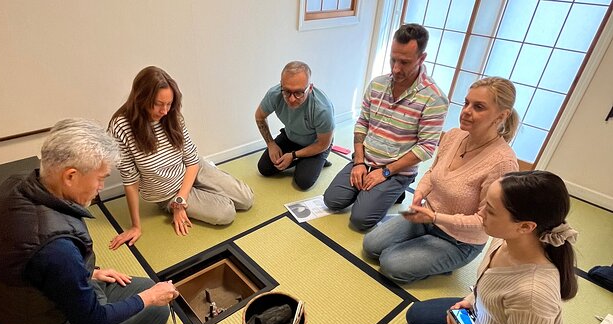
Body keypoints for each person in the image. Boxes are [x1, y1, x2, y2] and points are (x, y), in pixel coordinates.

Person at [0, 119, 180, 324]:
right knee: (156, 311)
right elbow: (91, 320)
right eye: (100, 178)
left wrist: (89, 273)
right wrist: (151, 299)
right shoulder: (56, 248)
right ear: (70, 176)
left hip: (29, 307)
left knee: (142, 286)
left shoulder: (17, 183)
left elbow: (30, 263)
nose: (101, 187)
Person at [404, 171, 578, 324]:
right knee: (416, 315)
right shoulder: (505, 239)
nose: (481, 214)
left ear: (525, 227)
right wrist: (469, 302)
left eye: (491, 211)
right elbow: (486, 286)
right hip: (488, 319)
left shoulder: (533, 293)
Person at [363, 77, 520, 283]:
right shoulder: (454, 135)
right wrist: (419, 194)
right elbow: (432, 173)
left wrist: (436, 218)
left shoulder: (502, 163)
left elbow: (484, 222)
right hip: (426, 217)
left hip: (459, 240)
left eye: (478, 107)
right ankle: (421, 246)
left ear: (502, 116)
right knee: (371, 246)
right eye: (466, 103)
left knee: (390, 265)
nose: (466, 111)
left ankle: (443, 262)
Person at [323, 23, 448, 231]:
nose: (396, 68)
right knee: (332, 201)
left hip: (396, 170)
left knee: (360, 221)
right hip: (366, 160)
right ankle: (379, 191)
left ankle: (394, 188)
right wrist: (359, 162)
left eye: (404, 62)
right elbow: (362, 123)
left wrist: (386, 173)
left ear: (422, 58)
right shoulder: (377, 84)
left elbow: (426, 147)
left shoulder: (434, 98)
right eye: (393, 59)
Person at [109, 66, 254, 242]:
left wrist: (181, 200)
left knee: (246, 199)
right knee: (226, 213)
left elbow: (192, 161)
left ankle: (205, 182)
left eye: (169, 104)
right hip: (167, 192)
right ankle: (197, 193)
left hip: (192, 169)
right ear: (141, 98)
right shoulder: (121, 127)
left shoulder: (171, 116)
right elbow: (131, 181)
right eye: (158, 104)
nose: (165, 111)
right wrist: (136, 226)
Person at [255, 61, 335, 190]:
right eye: (287, 91)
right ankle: (307, 163)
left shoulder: (322, 109)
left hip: (316, 143)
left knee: (303, 181)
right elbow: (259, 116)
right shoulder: (274, 94)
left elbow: (323, 144)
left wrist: (293, 156)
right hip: (291, 136)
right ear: (281, 85)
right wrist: (271, 144)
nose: (291, 99)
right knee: (264, 168)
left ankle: (319, 160)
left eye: (298, 93)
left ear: (310, 88)